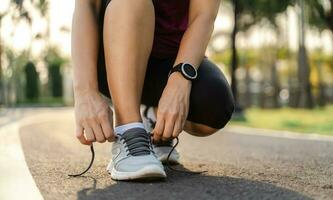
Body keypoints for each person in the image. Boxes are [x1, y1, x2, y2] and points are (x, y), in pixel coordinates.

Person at [71, 0, 234, 181]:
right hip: (113, 51)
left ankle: (153, 118)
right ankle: (128, 129)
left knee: (214, 105)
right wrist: (84, 91)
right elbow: (87, 5)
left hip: (171, 59)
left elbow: (203, 16)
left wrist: (179, 81)